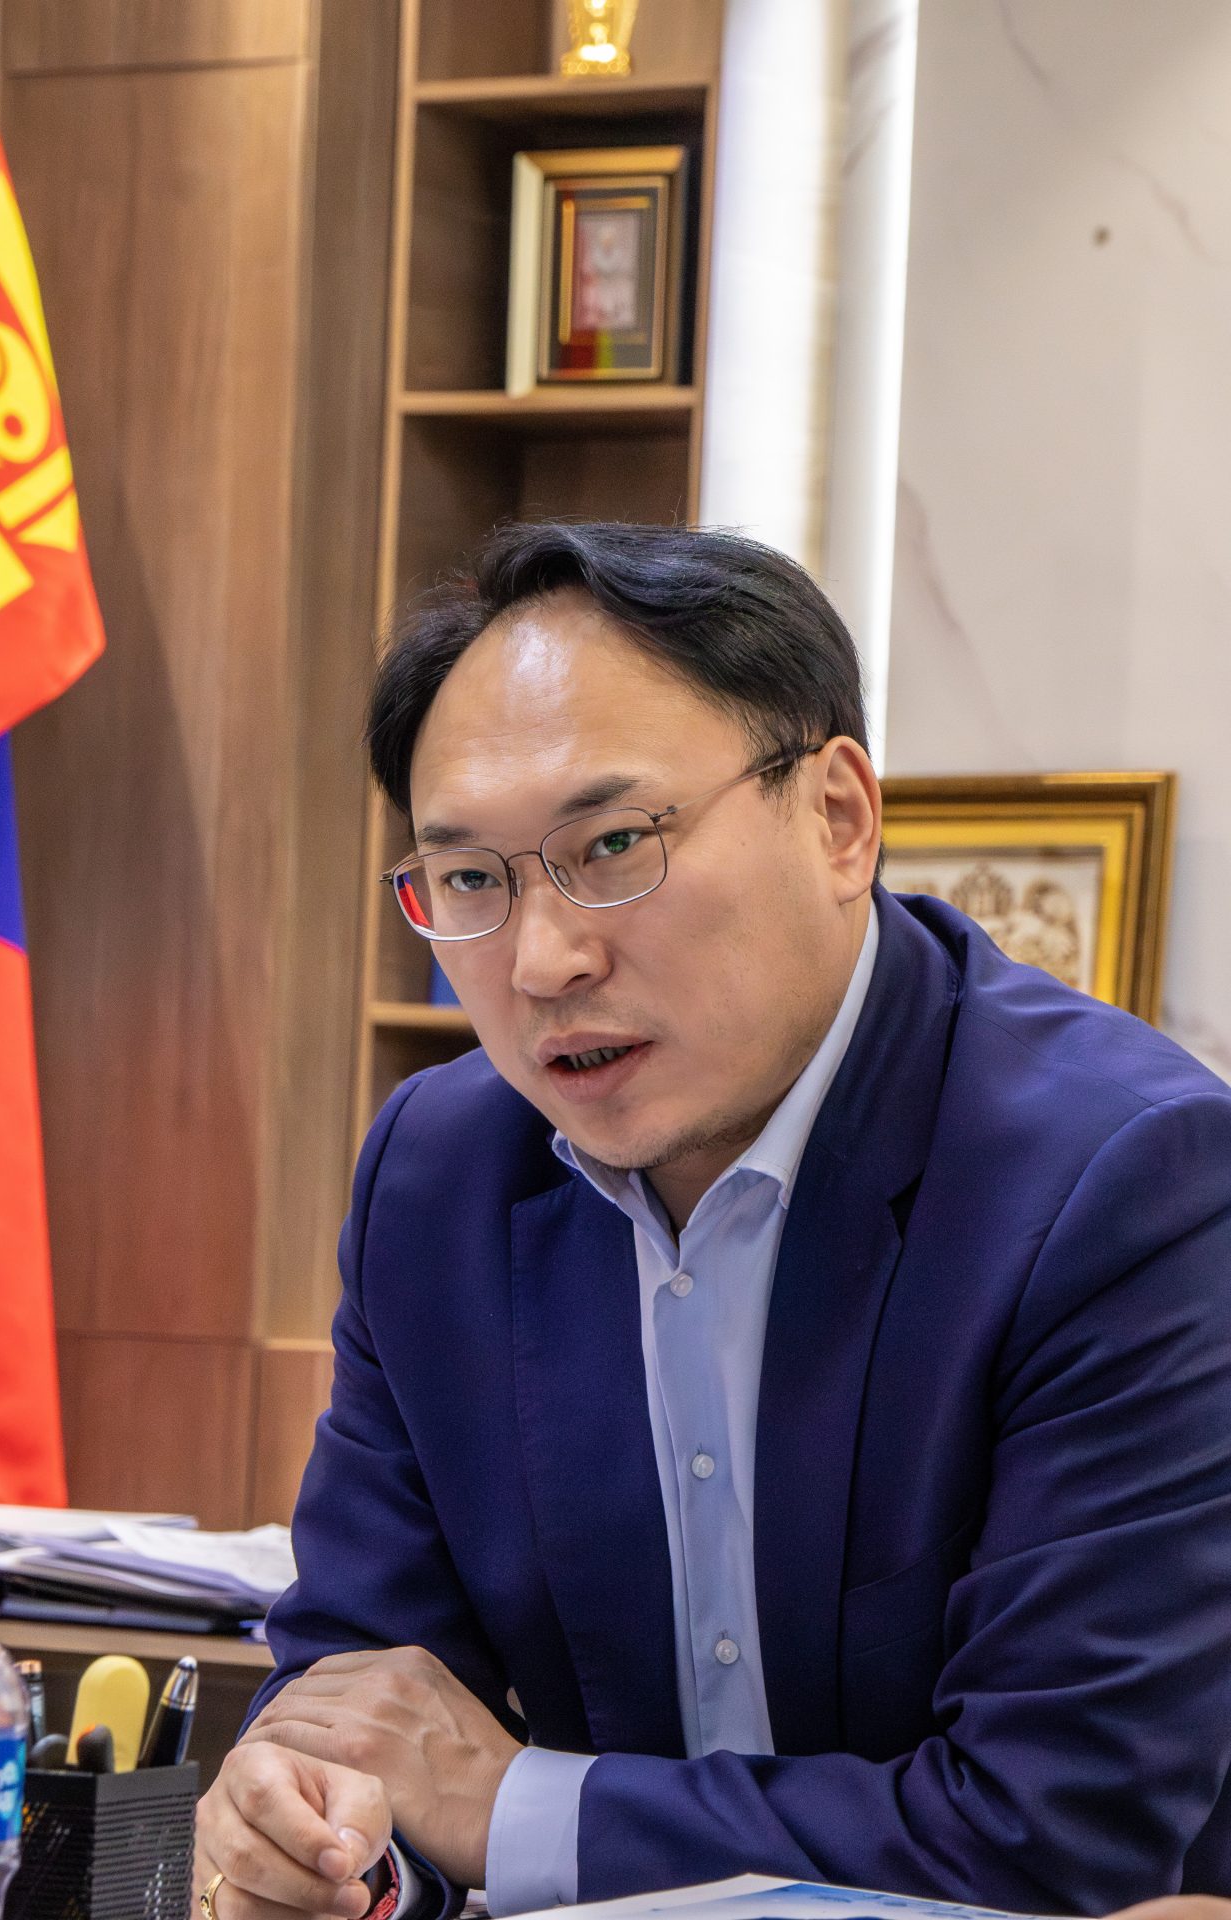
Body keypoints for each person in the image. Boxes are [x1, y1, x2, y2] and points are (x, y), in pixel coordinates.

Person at [194, 523, 1231, 1920]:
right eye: (473, 881)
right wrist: (317, 1839)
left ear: (840, 819)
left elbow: (1049, 1837)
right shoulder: (437, 1179)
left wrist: (514, 1808)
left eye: (613, 844)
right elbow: (363, 1710)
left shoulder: (1123, 1182)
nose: (546, 959)